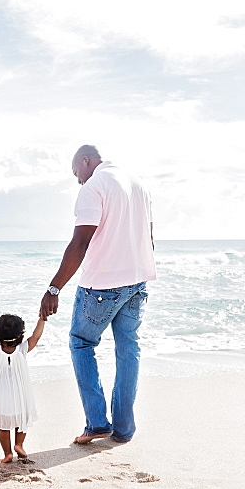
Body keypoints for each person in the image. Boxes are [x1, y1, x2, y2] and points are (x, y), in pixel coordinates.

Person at [40, 145, 155, 445]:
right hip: (138, 281)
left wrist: (54, 288)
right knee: (128, 349)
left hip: (103, 285)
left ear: (86, 161)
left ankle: (97, 423)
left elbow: (79, 243)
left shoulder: (95, 185)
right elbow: (149, 237)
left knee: (81, 343)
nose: (77, 179)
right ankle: (124, 429)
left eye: (76, 172)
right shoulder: (138, 182)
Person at [0, 308, 44, 463]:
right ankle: (19, 445)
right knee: (21, 421)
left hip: (1, 397)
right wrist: (42, 319)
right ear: (20, 335)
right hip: (20, 395)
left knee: (3, 426)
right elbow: (36, 337)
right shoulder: (22, 349)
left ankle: (8, 453)